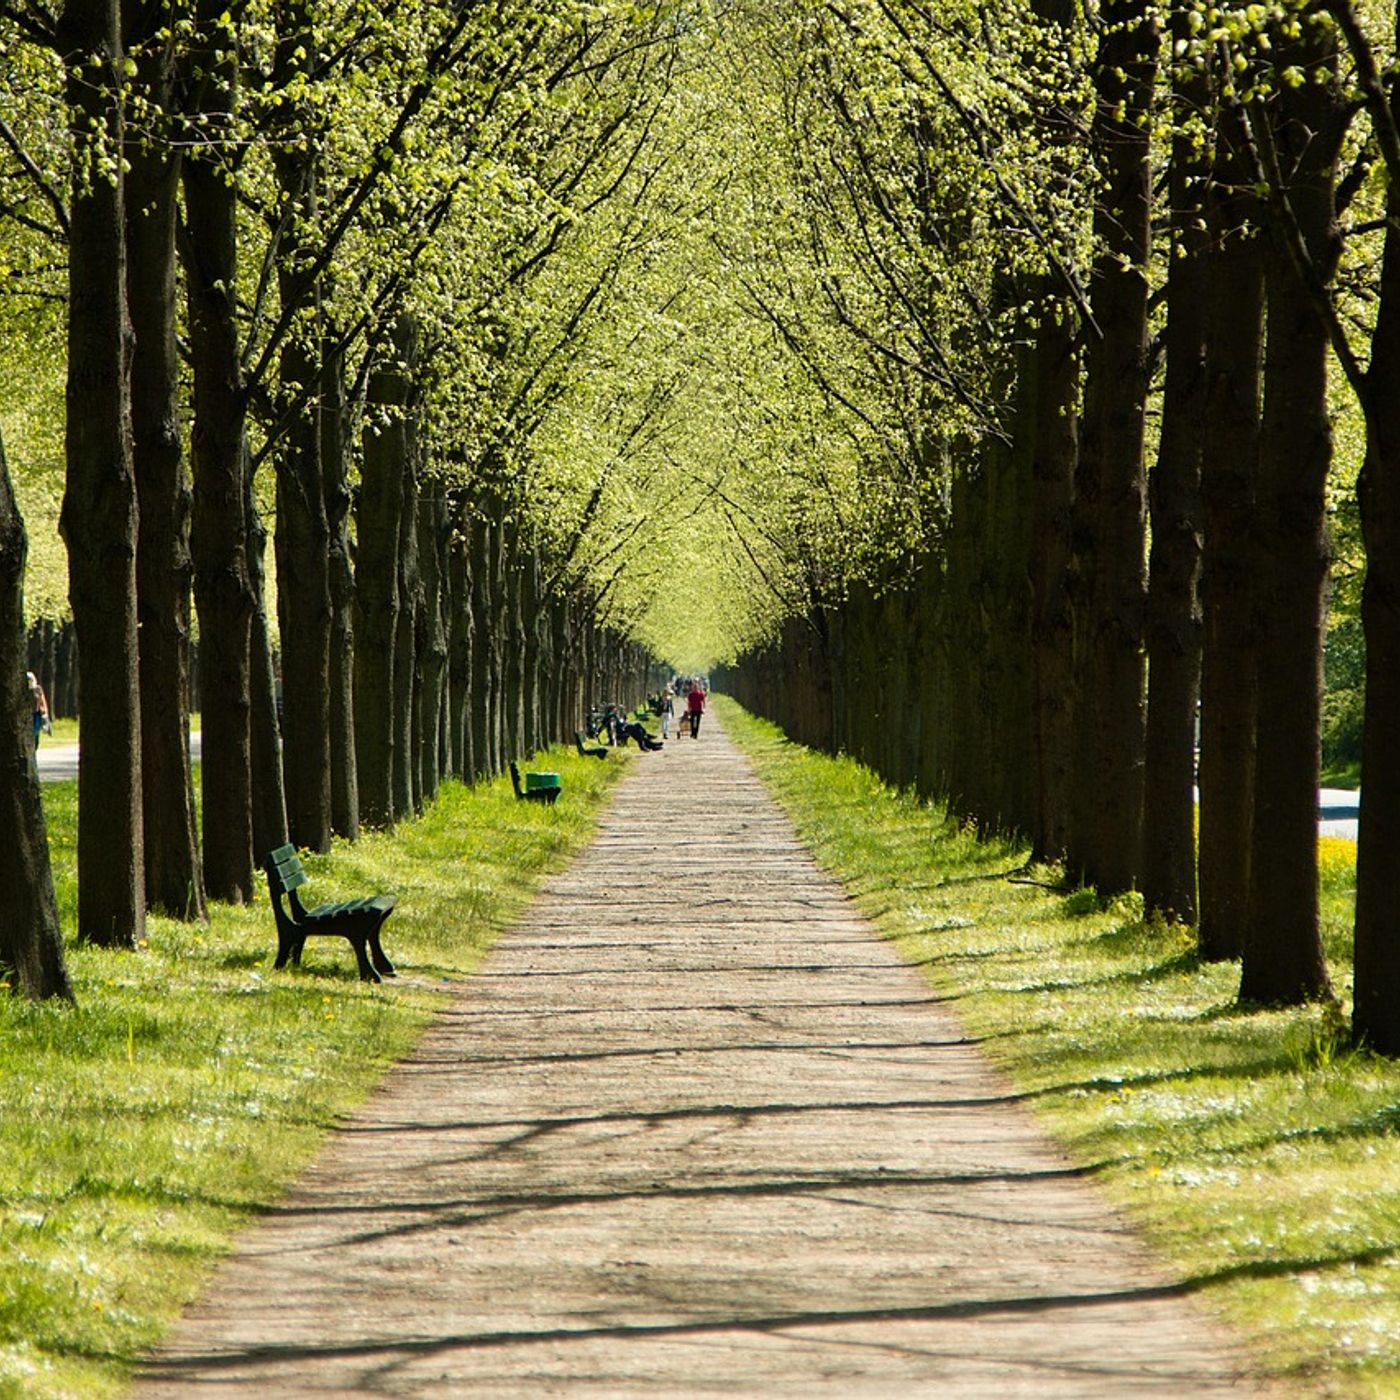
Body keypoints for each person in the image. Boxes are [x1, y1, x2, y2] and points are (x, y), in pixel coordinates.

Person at [27, 670, 49, 749]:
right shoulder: (22, 690)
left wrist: (45, 715)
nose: (29, 682)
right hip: (26, 716)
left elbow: (42, 703)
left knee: (35, 736)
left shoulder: (37, 689)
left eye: (30, 680)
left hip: (36, 716)